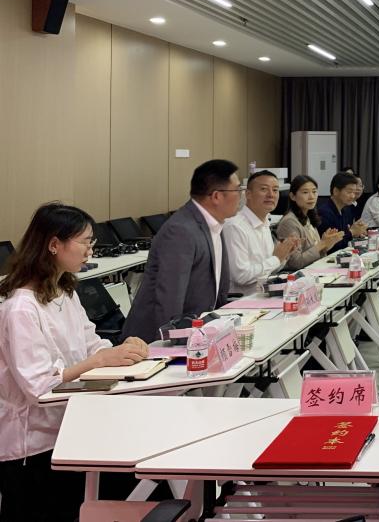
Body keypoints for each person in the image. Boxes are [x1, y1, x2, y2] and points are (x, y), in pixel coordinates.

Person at [0, 203, 149, 521]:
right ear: (54, 245)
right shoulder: (20, 308)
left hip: (68, 428)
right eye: (84, 242)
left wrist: (123, 351)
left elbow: (91, 343)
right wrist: (98, 360)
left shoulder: (64, 291)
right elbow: (38, 386)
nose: (90, 250)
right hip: (31, 444)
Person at [121, 159, 240, 342]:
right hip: (156, 341)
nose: (241, 196)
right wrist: (172, 344)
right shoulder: (181, 230)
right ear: (216, 196)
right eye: (237, 190)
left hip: (196, 333)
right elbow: (169, 297)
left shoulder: (214, 223)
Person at [223, 170, 299, 296]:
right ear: (248, 194)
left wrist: (285, 255)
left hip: (266, 295)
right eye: (264, 189)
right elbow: (241, 276)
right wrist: (276, 258)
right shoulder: (235, 226)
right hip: (242, 301)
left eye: (275, 190)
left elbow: (268, 270)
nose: (271, 195)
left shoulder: (265, 223)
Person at [275, 175, 345, 271]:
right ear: (292, 196)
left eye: (314, 192)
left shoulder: (308, 217)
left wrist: (326, 244)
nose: (311, 197)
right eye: (305, 192)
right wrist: (321, 244)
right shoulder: (289, 222)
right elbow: (295, 263)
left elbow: (314, 254)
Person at [318, 172, 368, 251]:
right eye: (349, 192)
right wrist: (352, 232)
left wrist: (356, 232)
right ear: (336, 191)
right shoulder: (324, 212)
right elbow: (331, 246)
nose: (353, 196)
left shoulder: (346, 210)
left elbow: (345, 236)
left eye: (354, 192)